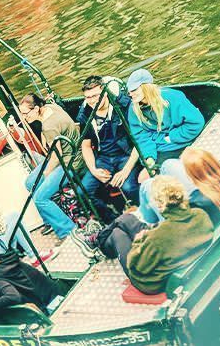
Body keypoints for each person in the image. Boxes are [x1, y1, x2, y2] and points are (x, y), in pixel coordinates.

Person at [82, 176, 214, 294]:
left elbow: (136, 266)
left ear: (160, 206)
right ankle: (99, 238)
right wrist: (150, 236)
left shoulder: (157, 237)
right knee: (126, 218)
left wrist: (139, 241)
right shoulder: (200, 214)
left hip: (151, 283)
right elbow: (169, 236)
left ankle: (97, 243)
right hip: (172, 254)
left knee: (117, 234)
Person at [19, 94, 87, 246]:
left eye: (25, 113)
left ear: (37, 108)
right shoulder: (51, 107)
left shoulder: (49, 127)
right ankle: (50, 221)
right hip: (64, 156)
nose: (23, 117)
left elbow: (57, 157)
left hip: (69, 163)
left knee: (40, 198)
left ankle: (68, 232)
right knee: (30, 183)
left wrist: (46, 173)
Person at [76, 75, 141, 219]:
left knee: (129, 187)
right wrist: (94, 169)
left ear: (105, 93)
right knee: (83, 192)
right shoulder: (85, 113)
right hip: (104, 158)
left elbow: (139, 140)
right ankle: (112, 219)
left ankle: (145, 214)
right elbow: (86, 146)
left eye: (95, 95)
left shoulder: (123, 107)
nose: (92, 100)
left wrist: (125, 170)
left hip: (126, 154)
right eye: (88, 97)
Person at [138, 148, 220, 225]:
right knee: (168, 164)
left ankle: (145, 218)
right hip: (215, 199)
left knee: (148, 185)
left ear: (192, 175)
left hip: (188, 223)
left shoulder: (196, 202)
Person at [125, 69, 205, 171]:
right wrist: (149, 156)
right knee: (145, 176)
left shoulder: (173, 97)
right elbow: (141, 136)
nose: (130, 94)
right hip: (160, 148)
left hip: (184, 142)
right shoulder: (134, 108)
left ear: (146, 87)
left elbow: (196, 123)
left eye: (134, 90)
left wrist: (171, 137)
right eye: (129, 91)